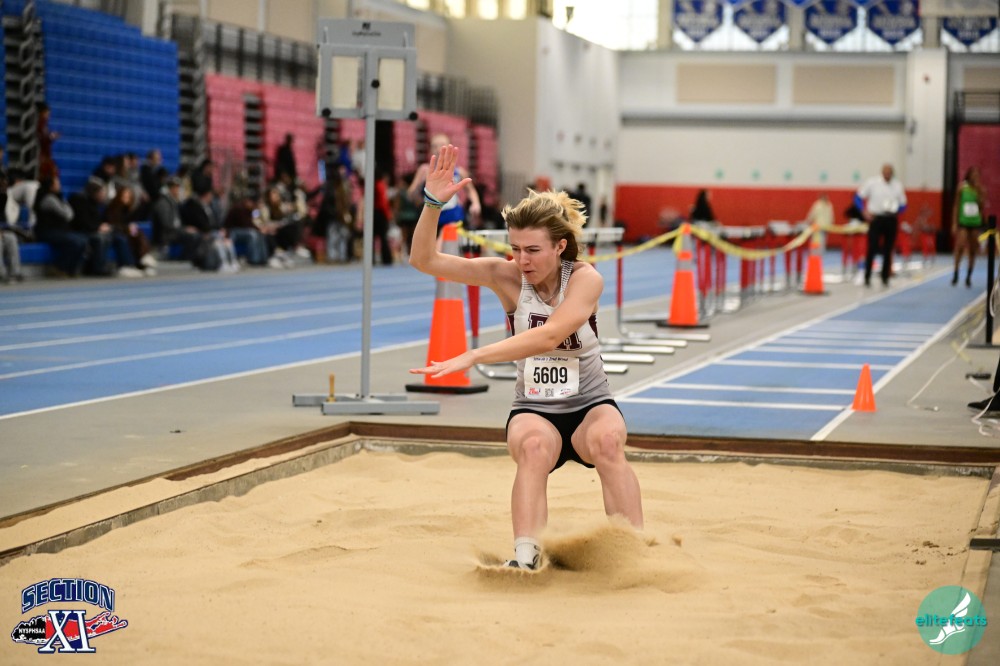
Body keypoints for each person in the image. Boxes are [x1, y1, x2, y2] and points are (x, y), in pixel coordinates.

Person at [408, 145, 644, 570]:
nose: (522, 260)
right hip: (535, 407)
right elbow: (423, 260)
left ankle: (633, 550)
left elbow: (550, 335)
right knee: (534, 448)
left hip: (590, 403)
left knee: (608, 442)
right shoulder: (506, 275)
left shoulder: (585, 279)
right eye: (515, 248)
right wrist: (432, 204)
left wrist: (474, 355)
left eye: (532, 250)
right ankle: (526, 557)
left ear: (560, 246)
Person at [407, 133, 481, 232]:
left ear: (450, 148)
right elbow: (411, 193)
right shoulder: (424, 170)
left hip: (452, 216)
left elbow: (470, 190)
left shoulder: (459, 171)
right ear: (430, 150)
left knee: (449, 239)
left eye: (442, 146)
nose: (438, 149)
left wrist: (476, 203)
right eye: (434, 146)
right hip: (431, 216)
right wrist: (418, 190)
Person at [855, 163, 907, 287]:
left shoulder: (897, 185)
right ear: (882, 172)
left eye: (889, 172)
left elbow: (904, 205)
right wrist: (864, 212)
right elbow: (857, 197)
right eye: (885, 172)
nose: (887, 174)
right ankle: (867, 276)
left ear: (892, 173)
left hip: (890, 219)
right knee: (872, 247)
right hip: (876, 218)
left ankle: (885, 277)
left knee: (888, 249)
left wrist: (897, 211)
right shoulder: (872, 183)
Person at [33, 177, 88, 277]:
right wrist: (64, 205)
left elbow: (69, 213)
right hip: (47, 231)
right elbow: (67, 214)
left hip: (58, 230)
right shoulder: (48, 199)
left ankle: (71, 270)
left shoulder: (57, 197)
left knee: (82, 240)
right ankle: (59, 267)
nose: (60, 186)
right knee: (75, 242)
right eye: (57, 184)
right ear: (51, 186)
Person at [952, 166, 986, 288]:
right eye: (973, 174)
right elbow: (956, 205)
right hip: (963, 221)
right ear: (969, 175)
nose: (975, 177)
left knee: (972, 249)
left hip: (975, 221)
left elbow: (981, 206)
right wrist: (954, 223)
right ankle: (956, 272)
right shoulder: (962, 188)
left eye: (977, 175)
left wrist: (980, 193)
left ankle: (969, 276)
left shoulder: (980, 189)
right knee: (960, 246)